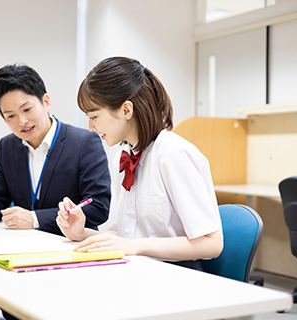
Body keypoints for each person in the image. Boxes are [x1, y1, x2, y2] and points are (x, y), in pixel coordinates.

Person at [0, 64, 111, 320]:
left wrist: (35, 219)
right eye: (10, 116)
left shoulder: (84, 142)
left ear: (46, 102)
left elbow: (96, 205)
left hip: (66, 258)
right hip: (18, 256)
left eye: (27, 109)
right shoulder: (7, 146)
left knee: (19, 311)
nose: (22, 122)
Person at [57, 56, 223, 271]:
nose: (90, 127)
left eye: (94, 116)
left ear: (126, 110)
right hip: (136, 268)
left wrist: (136, 246)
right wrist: (81, 233)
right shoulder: (123, 156)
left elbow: (212, 243)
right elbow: (124, 237)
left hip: (176, 275)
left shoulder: (172, 153)